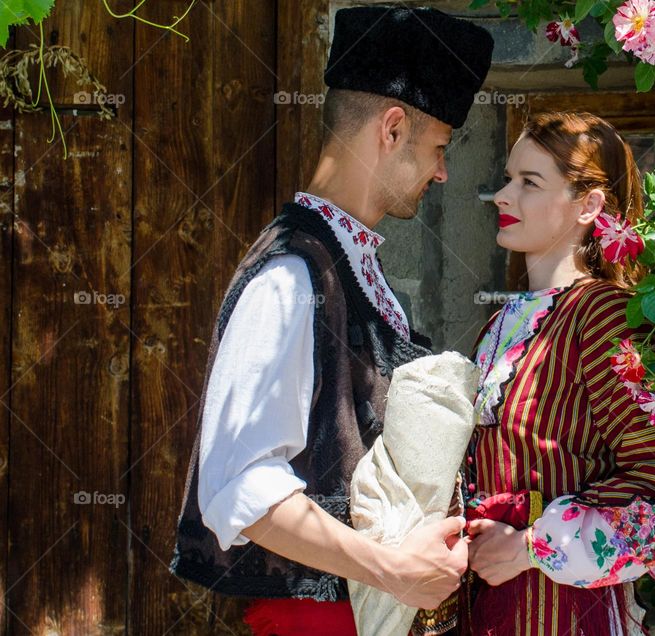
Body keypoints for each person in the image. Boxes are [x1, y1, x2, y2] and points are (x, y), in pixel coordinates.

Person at [168, 6, 494, 635]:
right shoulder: (291, 279)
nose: (444, 170)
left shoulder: (351, 270)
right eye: (439, 147)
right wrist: (392, 569)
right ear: (392, 128)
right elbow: (240, 487)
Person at [463, 112, 655, 635]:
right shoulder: (505, 321)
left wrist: (532, 549)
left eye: (528, 183)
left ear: (589, 205)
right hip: (486, 607)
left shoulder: (602, 312)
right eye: (508, 180)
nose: (503, 197)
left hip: (564, 614)